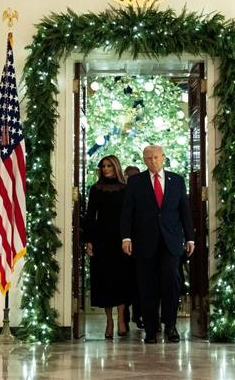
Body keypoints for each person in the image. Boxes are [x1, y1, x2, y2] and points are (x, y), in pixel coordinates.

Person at [121, 145, 195, 344]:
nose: (153, 161)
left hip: (171, 241)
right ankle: (151, 329)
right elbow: (127, 212)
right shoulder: (135, 182)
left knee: (171, 279)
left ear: (163, 158)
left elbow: (184, 211)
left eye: (156, 157)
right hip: (144, 241)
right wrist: (126, 237)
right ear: (144, 160)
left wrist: (190, 238)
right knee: (147, 285)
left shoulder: (177, 180)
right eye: (149, 158)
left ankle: (170, 325)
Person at [83, 155, 131, 339]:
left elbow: (130, 215)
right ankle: (109, 320)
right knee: (104, 280)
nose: (106, 169)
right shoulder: (95, 189)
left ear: (116, 167)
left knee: (122, 280)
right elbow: (89, 216)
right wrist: (89, 240)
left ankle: (120, 319)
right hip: (101, 239)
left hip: (121, 240)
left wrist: (130, 238)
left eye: (109, 165)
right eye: (103, 166)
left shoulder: (126, 189)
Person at [122, 165, 143, 329]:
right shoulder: (121, 191)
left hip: (140, 245)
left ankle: (138, 315)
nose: (131, 179)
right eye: (128, 176)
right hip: (123, 244)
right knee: (127, 282)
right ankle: (126, 316)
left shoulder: (142, 191)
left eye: (133, 176)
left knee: (138, 282)